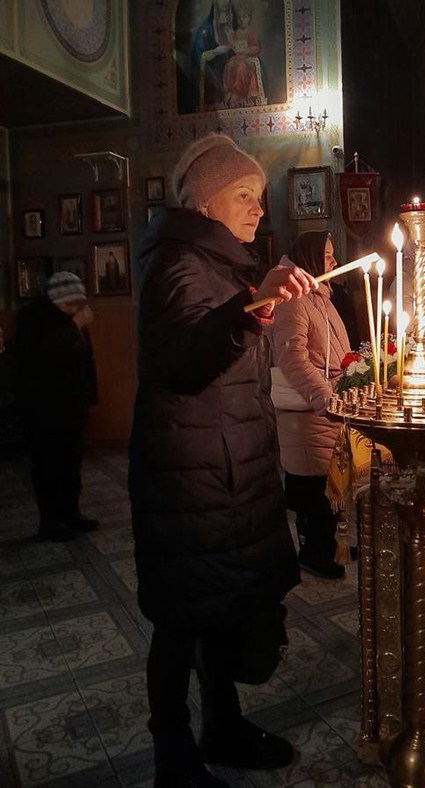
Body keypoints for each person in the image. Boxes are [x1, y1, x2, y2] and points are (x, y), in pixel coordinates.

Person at [129, 134, 318, 788]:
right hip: (191, 480)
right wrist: (250, 305)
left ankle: (223, 726)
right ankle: (173, 759)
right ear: (207, 200)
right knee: (180, 622)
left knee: (216, 611)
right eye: (244, 195)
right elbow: (182, 364)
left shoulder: (217, 264)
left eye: (260, 199)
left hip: (223, 471)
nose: (258, 210)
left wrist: (250, 299)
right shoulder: (178, 265)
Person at [270, 231, 351, 580]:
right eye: (328, 255)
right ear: (311, 257)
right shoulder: (294, 300)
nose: (333, 261)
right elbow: (292, 358)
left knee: (327, 480)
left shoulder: (321, 295)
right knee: (310, 485)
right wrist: (323, 396)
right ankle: (312, 550)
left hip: (326, 402)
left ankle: (330, 542)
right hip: (307, 407)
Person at [15, 272, 99, 541]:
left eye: (77, 303)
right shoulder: (31, 319)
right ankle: (49, 523)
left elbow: (87, 360)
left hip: (73, 406)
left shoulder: (72, 318)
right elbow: (45, 357)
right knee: (47, 467)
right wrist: (74, 325)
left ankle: (71, 514)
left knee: (71, 465)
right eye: (69, 304)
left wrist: (91, 398)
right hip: (43, 409)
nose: (75, 309)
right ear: (55, 299)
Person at [191, 0, 238, 111]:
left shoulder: (237, 23)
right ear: (215, 1)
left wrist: (228, 41)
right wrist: (209, 54)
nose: (224, 1)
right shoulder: (206, 29)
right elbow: (198, 53)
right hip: (215, 67)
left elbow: (242, 46)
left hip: (234, 64)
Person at [222, 0, 266, 108]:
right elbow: (233, 46)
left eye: (244, 17)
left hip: (249, 60)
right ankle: (230, 92)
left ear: (249, 18)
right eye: (240, 17)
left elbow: (256, 47)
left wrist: (246, 50)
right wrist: (229, 38)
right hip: (237, 58)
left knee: (241, 66)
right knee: (230, 65)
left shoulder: (252, 33)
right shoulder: (236, 33)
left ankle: (238, 93)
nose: (242, 20)